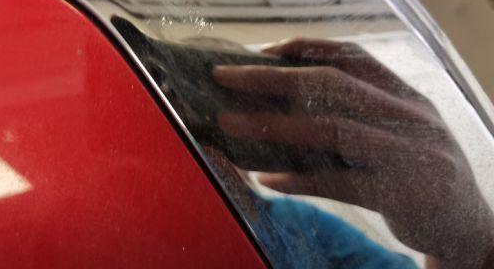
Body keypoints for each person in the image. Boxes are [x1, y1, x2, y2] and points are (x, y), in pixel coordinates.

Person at [210, 38, 494, 268]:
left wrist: (465, 238)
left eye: (242, 123)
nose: (214, 151)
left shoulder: (295, 220)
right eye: (202, 125)